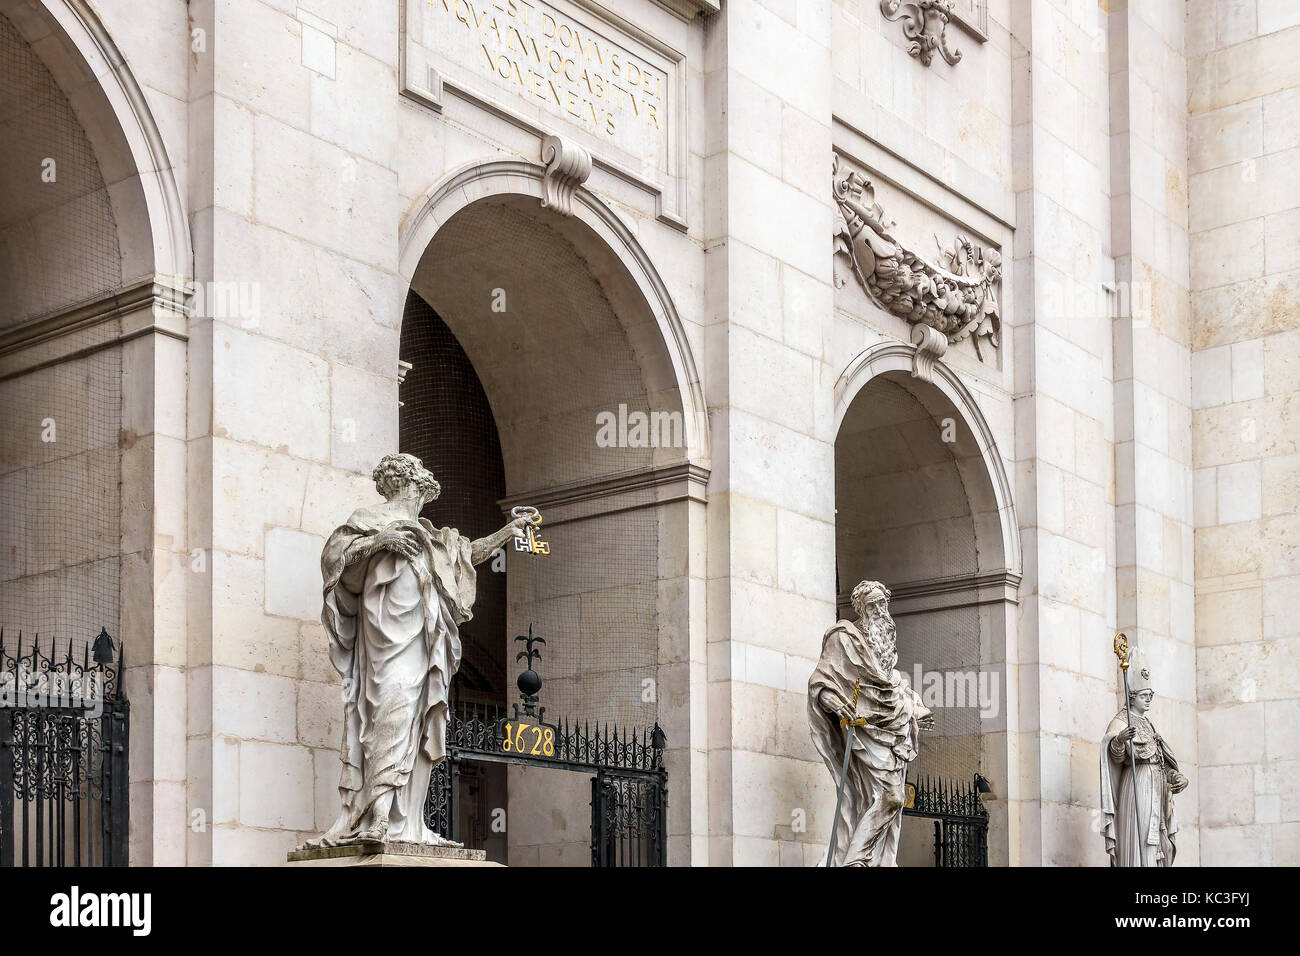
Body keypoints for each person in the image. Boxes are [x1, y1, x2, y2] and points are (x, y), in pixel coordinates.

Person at [310, 453, 532, 846]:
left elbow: (468, 554)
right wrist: (379, 540)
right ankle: (375, 817)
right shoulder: (369, 519)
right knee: (387, 715)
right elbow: (334, 559)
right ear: (410, 482)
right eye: (421, 480)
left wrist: (507, 533)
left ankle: (407, 823)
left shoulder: (431, 536)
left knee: (420, 720)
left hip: (423, 645)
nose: (424, 487)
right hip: (384, 644)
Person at [808, 580, 932, 866]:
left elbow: (890, 684)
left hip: (888, 730)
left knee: (883, 797)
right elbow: (823, 680)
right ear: (860, 608)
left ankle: (865, 859)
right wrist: (835, 703)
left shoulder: (886, 643)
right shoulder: (844, 638)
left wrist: (912, 706)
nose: (878, 610)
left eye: (881, 604)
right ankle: (856, 860)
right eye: (872, 605)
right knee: (891, 796)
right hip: (860, 729)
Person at [1100, 655, 1187, 866]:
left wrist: (1175, 777)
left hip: (1156, 786)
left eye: (1150, 695)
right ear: (1132, 697)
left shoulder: (1149, 723)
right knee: (1140, 837)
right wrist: (1119, 740)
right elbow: (1114, 756)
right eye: (1143, 696)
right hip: (1138, 785)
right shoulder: (1121, 721)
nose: (1148, 700)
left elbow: (1159, 759)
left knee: (1157, 839)